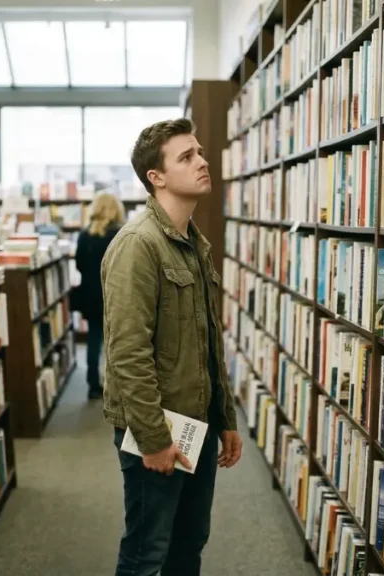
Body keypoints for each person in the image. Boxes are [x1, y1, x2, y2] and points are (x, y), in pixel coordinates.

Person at [101, 118, 242, 576]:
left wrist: (225, 418)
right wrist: (153, 439)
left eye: (199, 152)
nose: (202, 161)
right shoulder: (138, 246)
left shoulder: (192, 245)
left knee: (188, 547)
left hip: (198, 425)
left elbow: (207, 343)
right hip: (159, 430)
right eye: (186, 156)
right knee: (146, 553)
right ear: (155, 178)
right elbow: (127, 354)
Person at [74, 192, 126, 400]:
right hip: (117, 294)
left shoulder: (85, 235)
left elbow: (78, 264)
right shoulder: (121, 235)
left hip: (91, 294)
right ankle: (116, 387)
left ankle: (93, 386)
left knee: (94, 339)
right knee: (118, 341)